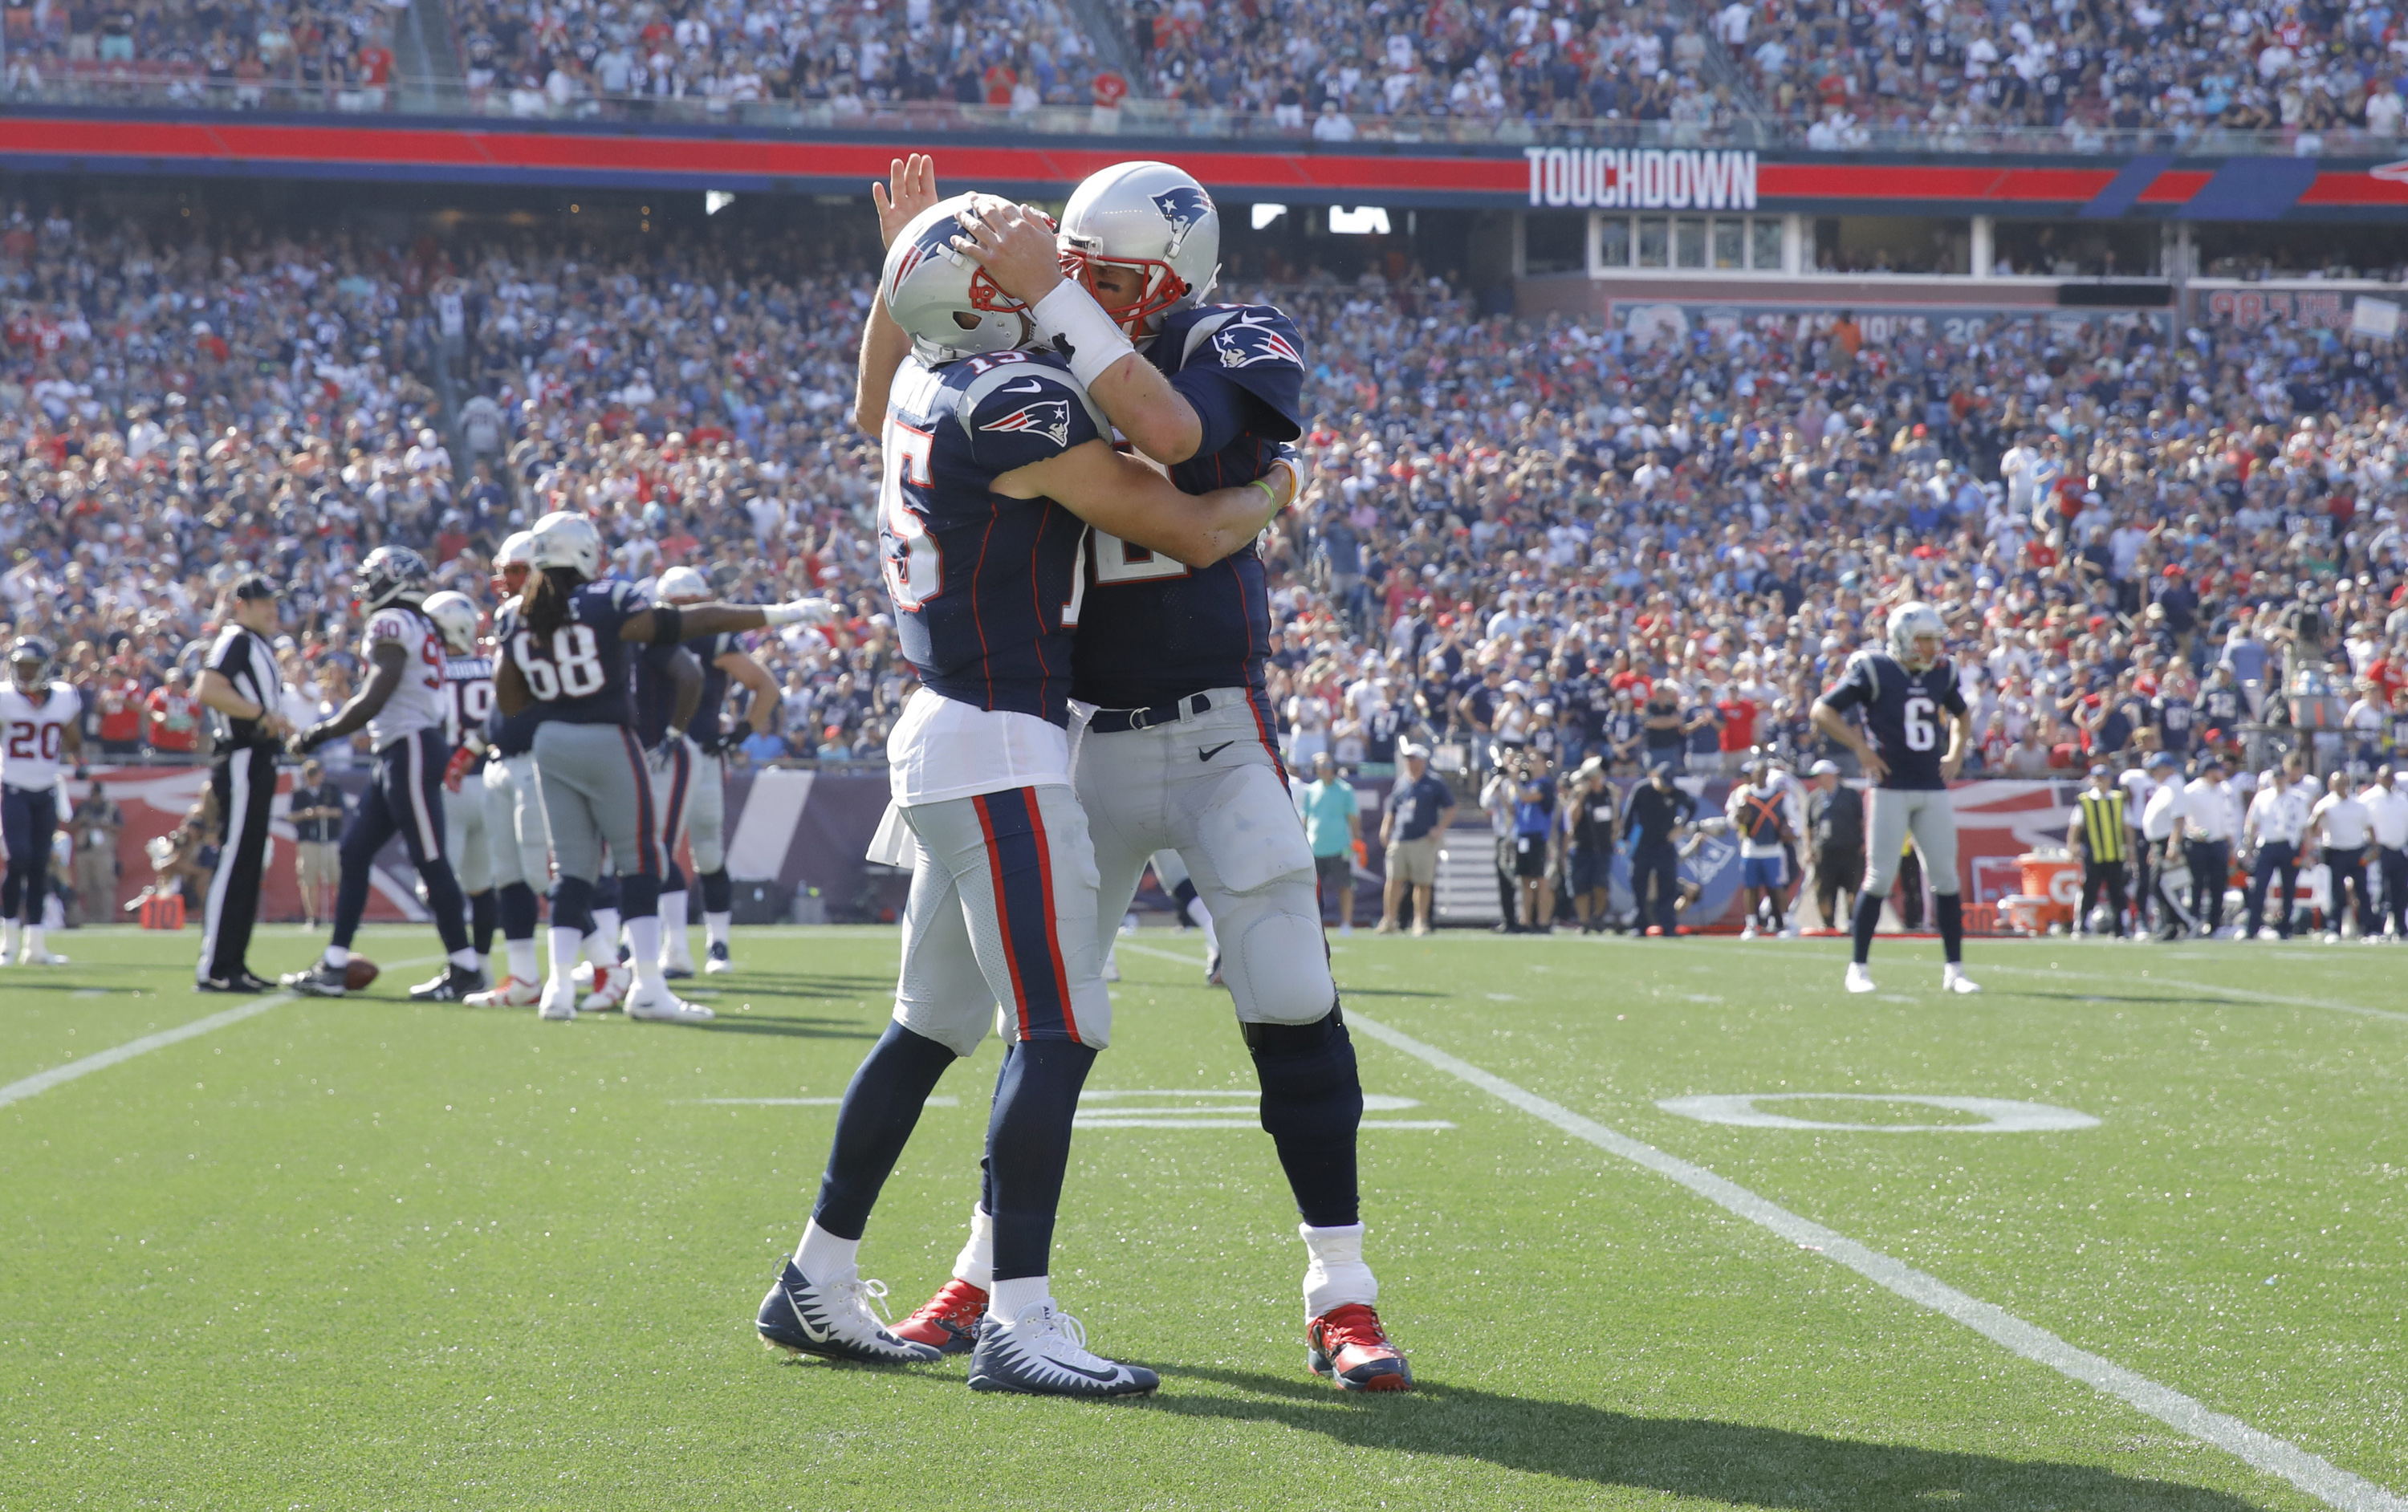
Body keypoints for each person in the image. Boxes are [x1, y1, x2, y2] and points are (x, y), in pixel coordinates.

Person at [757, 190, 1294, 1400]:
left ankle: (815, 1275)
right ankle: (1020, 1317)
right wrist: (1271, 497)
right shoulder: (1014, 400)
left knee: (925, 1026)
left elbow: (867, 386)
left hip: (945, 729)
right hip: (1001, 742)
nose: (1045, 269)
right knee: (1057, 1029)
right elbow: (1188, 520)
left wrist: (903, 266)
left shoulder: (915, 386)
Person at [942, 164, 1409, 1392]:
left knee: (1291, 997)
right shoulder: (1025, 343)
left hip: (1213, 729)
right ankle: (986, 1272)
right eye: (1074, 263)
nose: (1081, 285)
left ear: (1176, 277)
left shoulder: (1229, 335)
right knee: (1044, 1021)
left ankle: (1342, 1291)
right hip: (1075, 730)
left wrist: (1062, 308)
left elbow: (1182, 436)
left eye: (1110, 273)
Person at [494, 511, 824, 1024]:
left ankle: (558, 987)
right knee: (641, 858)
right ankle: (647, 984)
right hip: (607, 738)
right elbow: (690, 624)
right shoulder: (608, 601)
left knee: (573, 869)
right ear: (583, 552)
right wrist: (779, 614)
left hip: (550, 743)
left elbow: (510, 699)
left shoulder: (516, 614)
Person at [279, 548, 486, 1003]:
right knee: (354, 854)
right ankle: (334, 963)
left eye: (373, 579)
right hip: (399, 749)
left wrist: (320, 733)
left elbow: (374, 695)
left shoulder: (392, 623)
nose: (366, 589)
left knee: (431, 861)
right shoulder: (420, 624)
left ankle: (467, 968)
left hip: (410, 747)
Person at [1811, 600, 1980, 994]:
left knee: (1946, 878)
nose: (1931, 648)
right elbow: (1823, 710)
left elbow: (1962, 714)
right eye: (1923, 639)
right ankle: (1858, 967)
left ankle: (1955, 969)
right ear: (1903, 638)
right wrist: (1859, 747)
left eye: (1934, 639)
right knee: (1879, 877)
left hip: (1931, 785)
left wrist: (1955, 752)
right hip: (1889, 786)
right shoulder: (1874, 668)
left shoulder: (1944, 670)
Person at [650, 563, 783, 976]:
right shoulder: (647, 634)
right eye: (679, 605)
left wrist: (739, 733)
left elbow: (766, 687)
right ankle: (665, 944)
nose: (687, 613)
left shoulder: (713, 640)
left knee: (704, 848)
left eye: (692, 605)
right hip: (660, 752)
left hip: (699, 751)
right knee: (659, 849)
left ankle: (717, 943)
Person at [463, 533, 555, 1009]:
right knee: (508, 876)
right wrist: (475, 744)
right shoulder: (507, 619)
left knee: (550, 872)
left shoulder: (556, 620)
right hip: (503, 758)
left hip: (541, 758)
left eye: (517, 572)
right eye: (503, 572)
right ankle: (523, 977)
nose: (506, 582)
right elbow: (505, 698)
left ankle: (601, 965)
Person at [193, 575, 287, 990]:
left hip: (258, 758)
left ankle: (233, 963)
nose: (271, 609)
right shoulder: (237, 638)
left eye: (273, 602)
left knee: (249, 861)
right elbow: (208, 689)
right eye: (262, 602)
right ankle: (216, 967)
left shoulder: (257, 644)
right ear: (241, 605)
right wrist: (259, 715)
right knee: (235, 860)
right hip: (243, 755)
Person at [425, 589, 498, 978]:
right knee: (482, 885)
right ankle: (482, 965)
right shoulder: (493, 668)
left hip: (447, 788)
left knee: (438, 885)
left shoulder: (431, 674)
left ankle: (461, 963)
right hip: (489, 783)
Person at [0, 636, 84, 965]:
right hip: (15, 787)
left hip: (47, 789)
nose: (25, 672)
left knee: (39, 865)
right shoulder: (6, 698)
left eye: (31, 667)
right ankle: (7, 942)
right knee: (18, 858)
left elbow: (73, 737)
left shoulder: (64, 697)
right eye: (20, 666)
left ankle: (35, 946)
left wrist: (79, 760)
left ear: (45, 669)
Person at [1378, 742, 1454, 936]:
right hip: (1400, 837)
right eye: (1408, 759)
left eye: (1413, 758)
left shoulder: (1434, 782)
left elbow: (1451, 807)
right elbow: (1392, 809)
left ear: (1422, 760)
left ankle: (1420, 921)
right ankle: (1389, 920)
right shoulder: (1401, 782)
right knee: (1393, 880)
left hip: (1423, 839)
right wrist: (1386, 828)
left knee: (1422, 883)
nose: (1409, 762)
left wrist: (1439, 829)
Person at [1622, 759, 1696, 937]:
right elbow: (1630, 814)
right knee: (1639, 883)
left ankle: (1668, 926)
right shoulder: (1642, 790)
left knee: (1668, 885)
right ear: (1655, 776)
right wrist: (1624, 838)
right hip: (1644, 844)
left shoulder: (1676, 793)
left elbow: (1692, 806)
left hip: (1665, 845)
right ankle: (1639, 925)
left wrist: (1680, 827)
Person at [2242, 755, 2312, 941]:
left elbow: (2305, 829)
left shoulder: (2298, 799)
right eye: (2276, 778)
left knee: (2288, 889)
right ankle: (2253, 928)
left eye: (2282, 777)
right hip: (2267, 846)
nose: (2279, 781)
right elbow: (2253, 824)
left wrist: (2309, 852)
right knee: (2259, 887)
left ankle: (2284, 928)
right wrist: (2248, 848)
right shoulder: (2262, 798)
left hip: (2289, 846)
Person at [2171, 754, 2238, 939]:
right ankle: (2193, 923)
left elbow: (2227, 819)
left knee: (2218, 886)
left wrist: (2230, 845)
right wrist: (2194, 830)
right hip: (2198, 844)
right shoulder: (2191, 791)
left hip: (2218, 843)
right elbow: (2183, 818)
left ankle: (2214, 925)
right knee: (2196, 886)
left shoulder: (2223, 790)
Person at [1727, 758, 1796, 937]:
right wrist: (1740, 817)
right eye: (1757, 774)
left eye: (1764, 774)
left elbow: (1793, 820)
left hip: (1774, 849)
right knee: (1751, 887)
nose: (1761, 777)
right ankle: (1751, 924)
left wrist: (1788, 830)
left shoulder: (1780, 796)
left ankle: (1784, 923)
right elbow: (1733, 821)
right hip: (1751, 847)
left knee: (1777, 887)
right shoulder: (1744, 795)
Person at [1300, 750, 1362, 933]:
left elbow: (1353, 818)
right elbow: (1305, 817)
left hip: (1339, 847)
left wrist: (1357, 841)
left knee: (1345, 886)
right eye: (1320, 766)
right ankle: (1313, 924)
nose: (1324, 770)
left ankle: (1347, 924)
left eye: (1327, 766)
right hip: (1315, 847)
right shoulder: (1311, 790)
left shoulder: (1345, 789)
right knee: (1313, 890)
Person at [2309, 770, 2373, 941]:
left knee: (2362, 891)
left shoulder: (2358, 804)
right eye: (2338, 784)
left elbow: (2369, 827)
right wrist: (2317, 817)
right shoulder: (2325, 804)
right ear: (2331, 785)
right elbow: (2313, 830)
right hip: (2335, 851)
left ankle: (2369, 929)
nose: (2341, 787)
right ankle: (2334, 929)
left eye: (2344, 783)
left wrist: (2373, 849)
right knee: (2337, 893)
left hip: (2356, 850)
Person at [2070, 764, 2130, 937]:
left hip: (2115, 853)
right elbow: (2075, 826)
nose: (2101, 782)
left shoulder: (2118, 799)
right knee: (2089, 890)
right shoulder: (2085, 800)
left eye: (2103, 778)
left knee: (2117, 892)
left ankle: (2119, 928)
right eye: (2097, 778)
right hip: (2094, 853)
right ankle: (2082, 925)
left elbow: (2127, 826)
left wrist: (2130, 848)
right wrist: (2073, 846)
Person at [1805, 758, 1864, 930]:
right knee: (1823, 890)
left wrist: (1865, 842)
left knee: (1852, 888)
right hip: (1824, 851)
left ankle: (1853, 922)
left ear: (1830, 775)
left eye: (1819, 775)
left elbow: (1862, 820)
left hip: (1850, 849)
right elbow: (1808, 826)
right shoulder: (1814, 797)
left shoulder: (1851, 795)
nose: (1816, 780)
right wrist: (1808, 849)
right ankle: (1828, 924)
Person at [287, 758, 345, 931]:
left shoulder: (331, 789)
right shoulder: (299, 793)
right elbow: (291, 816)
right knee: (309, 880)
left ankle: (344, 916)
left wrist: (325, 812)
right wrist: (307, 814)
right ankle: (313, 917)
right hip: (308, 841)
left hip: (330, 839)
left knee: (338, 878)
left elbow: (341, 811)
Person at [1562, 757, 1617, 933]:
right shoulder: (1580, 794)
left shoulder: (1609, 793)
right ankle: (1584, 921)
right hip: (1582, 845)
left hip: (1603, 846)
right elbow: (1572, 820)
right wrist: (1581, 796)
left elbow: (1615, 818)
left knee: (1601, 884)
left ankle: (1598, 917)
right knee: (1581, 886)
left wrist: (1614, 837)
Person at [67, 780, 122, 926]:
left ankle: (106, 917)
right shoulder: (83, 807)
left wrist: (105, 825)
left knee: (104, 885)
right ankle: (91, 917)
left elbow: (120, 827)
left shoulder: (111, 807)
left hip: (103, 852)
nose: (94, 797)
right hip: (84, 851)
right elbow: (70, 825)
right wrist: (81, 820)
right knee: (86, 886)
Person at [2362, 766, 2406, 941]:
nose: (2388, 780)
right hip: (2378, 850)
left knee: (2400, 892)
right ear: (2378, 778)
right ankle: (2377, 928)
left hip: (2399, 850)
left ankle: (2400, 928)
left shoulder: (2401, 799)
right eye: (2385, 777)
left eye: (2390, 777)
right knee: (2379, 891)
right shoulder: (2369, 798)